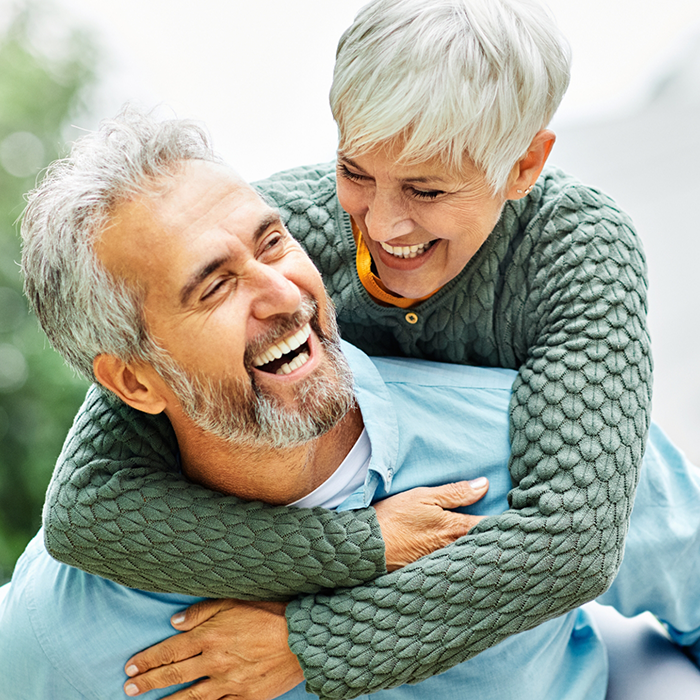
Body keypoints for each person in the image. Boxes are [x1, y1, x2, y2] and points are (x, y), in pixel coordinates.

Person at [40, 0, 653, 694]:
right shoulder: (274, 236)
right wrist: (361, 546)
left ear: (524, 165)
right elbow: (89, 509)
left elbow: (572, 542)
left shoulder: (579, 252)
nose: (383, 222)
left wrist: (312, 643)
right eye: (356, 170)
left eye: (426, 187)